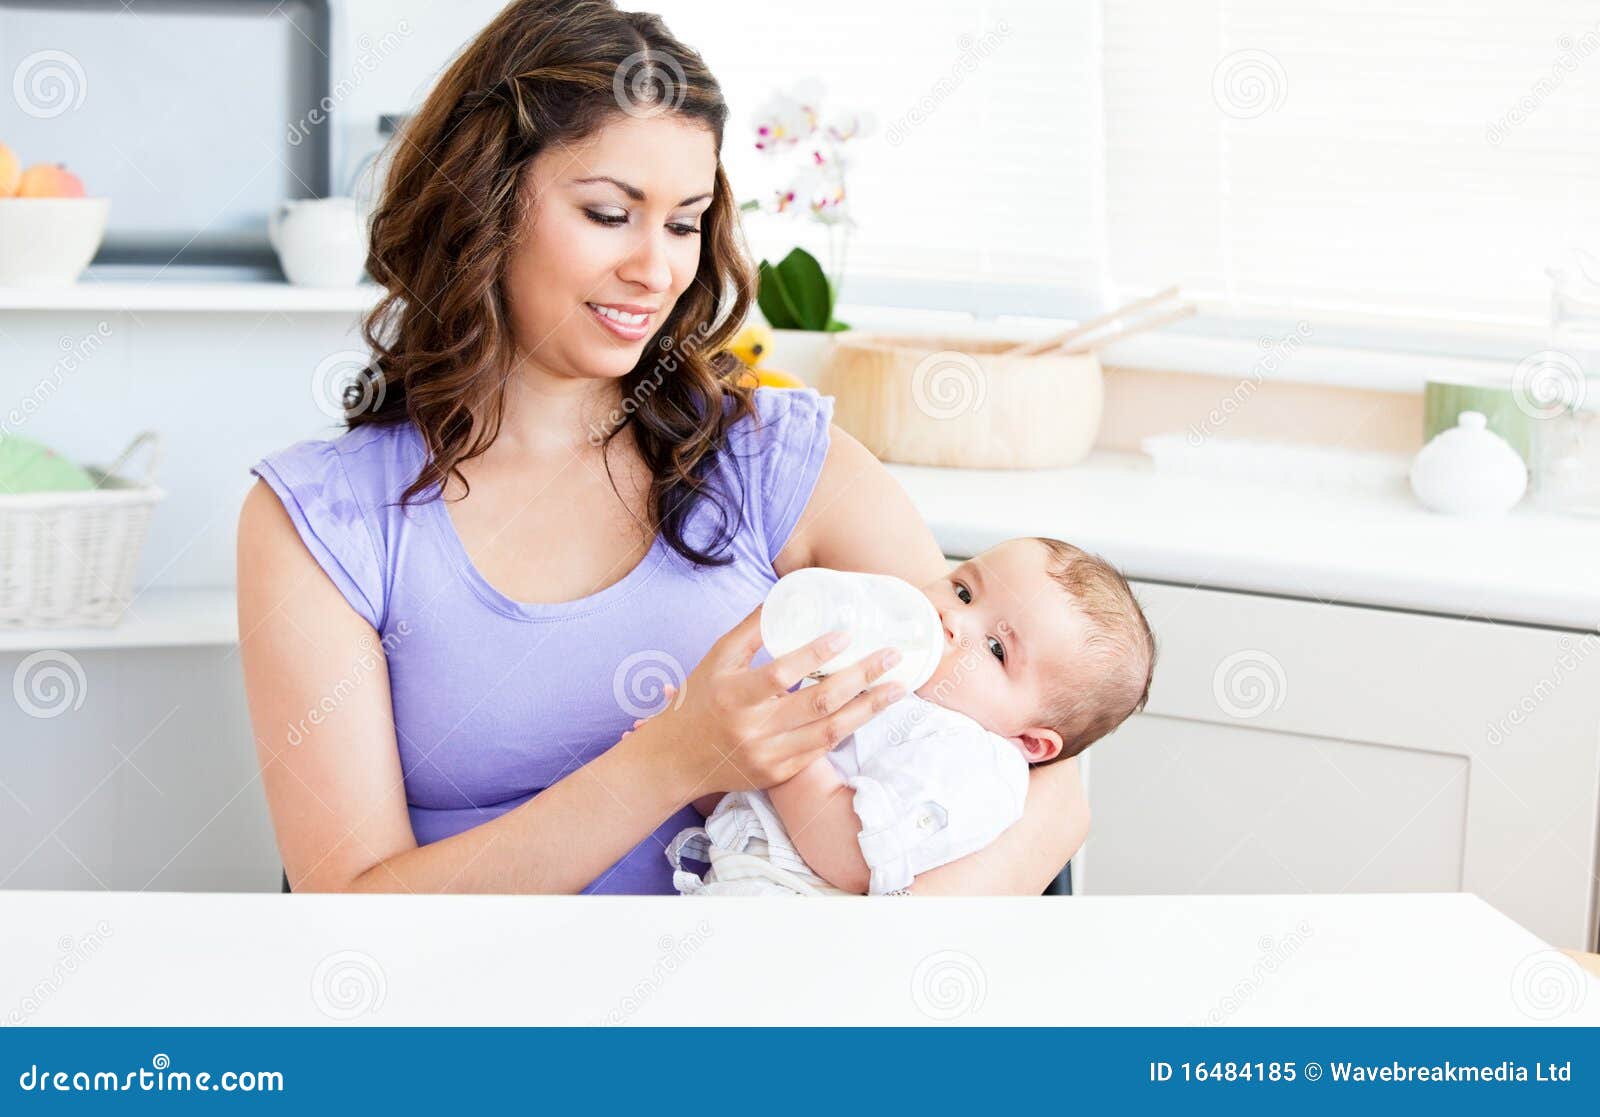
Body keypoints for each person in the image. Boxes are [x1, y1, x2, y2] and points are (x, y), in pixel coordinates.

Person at [236, 0, 1089, 894]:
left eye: (684, 223)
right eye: (610, 213)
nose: (657, 269)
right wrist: (671, 761)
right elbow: (345, 912)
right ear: (480, 201)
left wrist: (854, 980)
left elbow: (1043, 776)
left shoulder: (773, 463)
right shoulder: (324, 523)